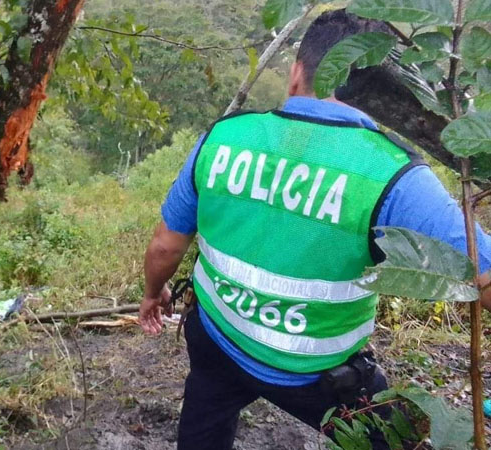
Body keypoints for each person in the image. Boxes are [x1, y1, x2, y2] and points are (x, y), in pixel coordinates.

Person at [139, 9, 491, 450]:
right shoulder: (394, 176)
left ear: (296, 74)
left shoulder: (224, 138)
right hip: (321, 379)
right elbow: (484, 273)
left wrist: (154, 293)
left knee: (202, 431)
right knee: (400, 441)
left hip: (218, 340)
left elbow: (164, 248)